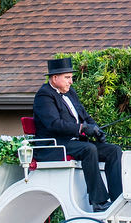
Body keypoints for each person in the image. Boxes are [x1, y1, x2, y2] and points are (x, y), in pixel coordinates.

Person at [32, 57, 123, 211]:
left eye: (71, 78)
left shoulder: (70, 93)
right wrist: (81, 128)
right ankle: (98, 201)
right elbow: (54, 124)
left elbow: (84, 116)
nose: (71, 82)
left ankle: (117, 198)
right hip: (54, 145)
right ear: (55, 78)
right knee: (89, 149)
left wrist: (95, 129)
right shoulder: (44, 96)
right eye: (67, 78)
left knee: (113, 150)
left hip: (73, 143)